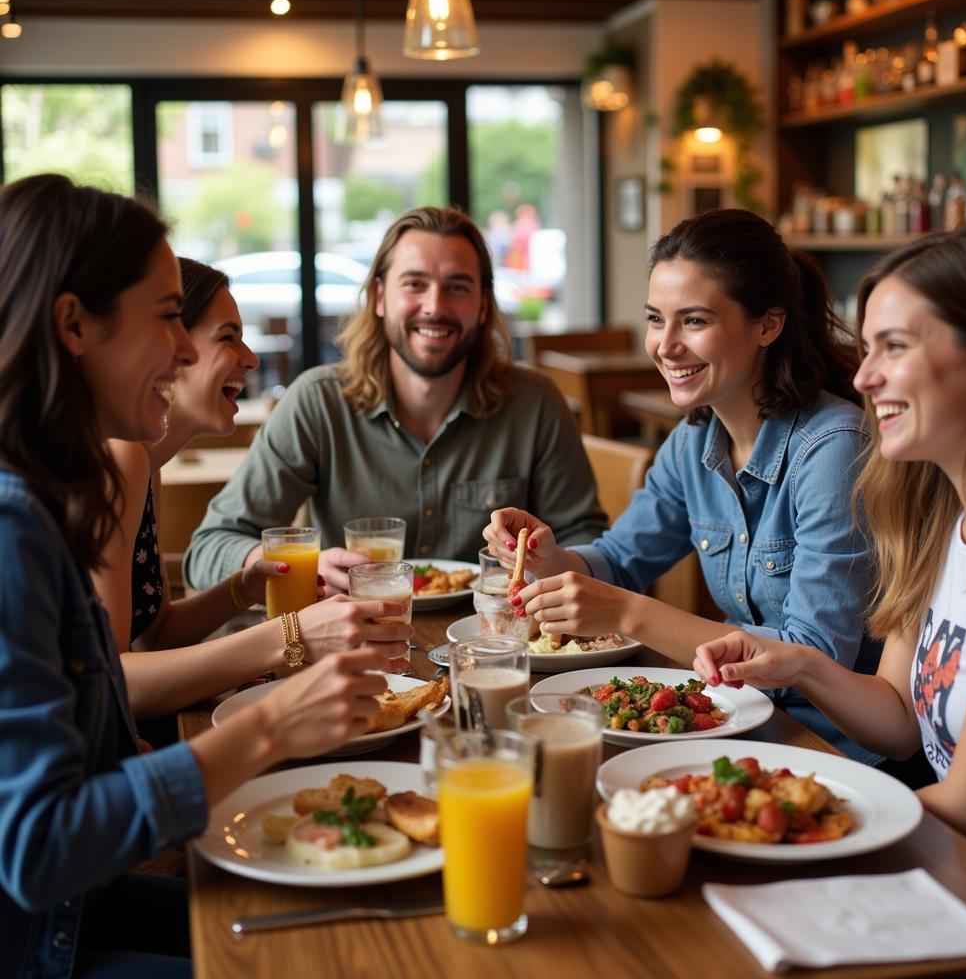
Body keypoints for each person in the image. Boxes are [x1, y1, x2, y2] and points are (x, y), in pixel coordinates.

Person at [0, 174, 408, 977]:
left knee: (346, 920)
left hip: (79, 905)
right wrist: (273, 721)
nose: (187, 349)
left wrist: (245, 604)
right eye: (166, 317)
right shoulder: (14, 525)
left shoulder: (48, 497)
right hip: (41, 945)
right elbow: (40, 847)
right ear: (74, 325)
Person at [485, 208, 879, 758]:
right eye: (655, 319)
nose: (665, 346)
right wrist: (550, 557)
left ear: (768, 324)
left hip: (824, 745)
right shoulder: (695, 440)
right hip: (730, 718)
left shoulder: (833, 448)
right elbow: (621, 559)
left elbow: (812, 661)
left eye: (694, 321)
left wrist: (628, 612)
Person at [693, 222, 966, 860]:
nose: (865, 378)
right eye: (867, 348)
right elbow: (900, 724)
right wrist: (798, 662)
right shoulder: (936, 520)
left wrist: (774, 814)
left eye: (893, 346)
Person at [183, 206, 606, 596]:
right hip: (353, 652)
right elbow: (206, 551)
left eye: (457, 287)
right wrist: (295, 565)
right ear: (380, 297)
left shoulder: (535, 403)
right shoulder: (317, 402)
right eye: (414, 284)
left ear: (482, 305)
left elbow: (587, 548)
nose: (434, 306)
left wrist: (544, 559)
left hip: (498, 648)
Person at [90, 258, 411, 720]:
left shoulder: (145, 463)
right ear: (169, 345)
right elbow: (114, 682)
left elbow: (155, 635)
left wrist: (245, 585)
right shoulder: (121, 456)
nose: (252, 358)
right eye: (227, 337)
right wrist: (291, 636)